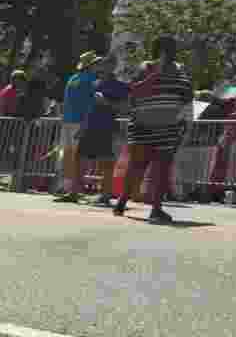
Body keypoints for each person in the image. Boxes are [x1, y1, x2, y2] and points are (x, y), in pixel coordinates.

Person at [113, 36, 193, 224]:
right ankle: (151, 209)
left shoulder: (157, 69)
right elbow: (133, 92)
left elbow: (187, 95)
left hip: (153, 124)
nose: (174, 52)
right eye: (172, 49)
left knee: (144, 166)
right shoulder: (149, 68)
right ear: (165, 51)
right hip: (158, 125)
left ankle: (125, 203)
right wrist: (155, 76)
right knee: (151, 167)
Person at [56, 55, 128, 205]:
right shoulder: (94, 83)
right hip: (89, 126)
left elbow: (124, 108)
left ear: (113, 66)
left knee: (106, 162)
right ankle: (74, 193)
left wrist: (106, 102)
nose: (102, 67)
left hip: (106, 127)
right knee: (79, 159)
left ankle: (106, 195)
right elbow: (89, 107)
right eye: (100, 64)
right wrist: (83, 126)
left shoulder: (119, 85)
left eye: (106, 64)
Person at [57, 51, 103, 195]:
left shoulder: (72, 78)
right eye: (96, 64)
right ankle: (73, 188)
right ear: (91, 66)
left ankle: (64, 185)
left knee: (66, 153)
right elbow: (92, 102)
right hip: (80, 121)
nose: (98, 66)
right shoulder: (91, 80)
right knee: (78, 156)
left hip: (67, 121)